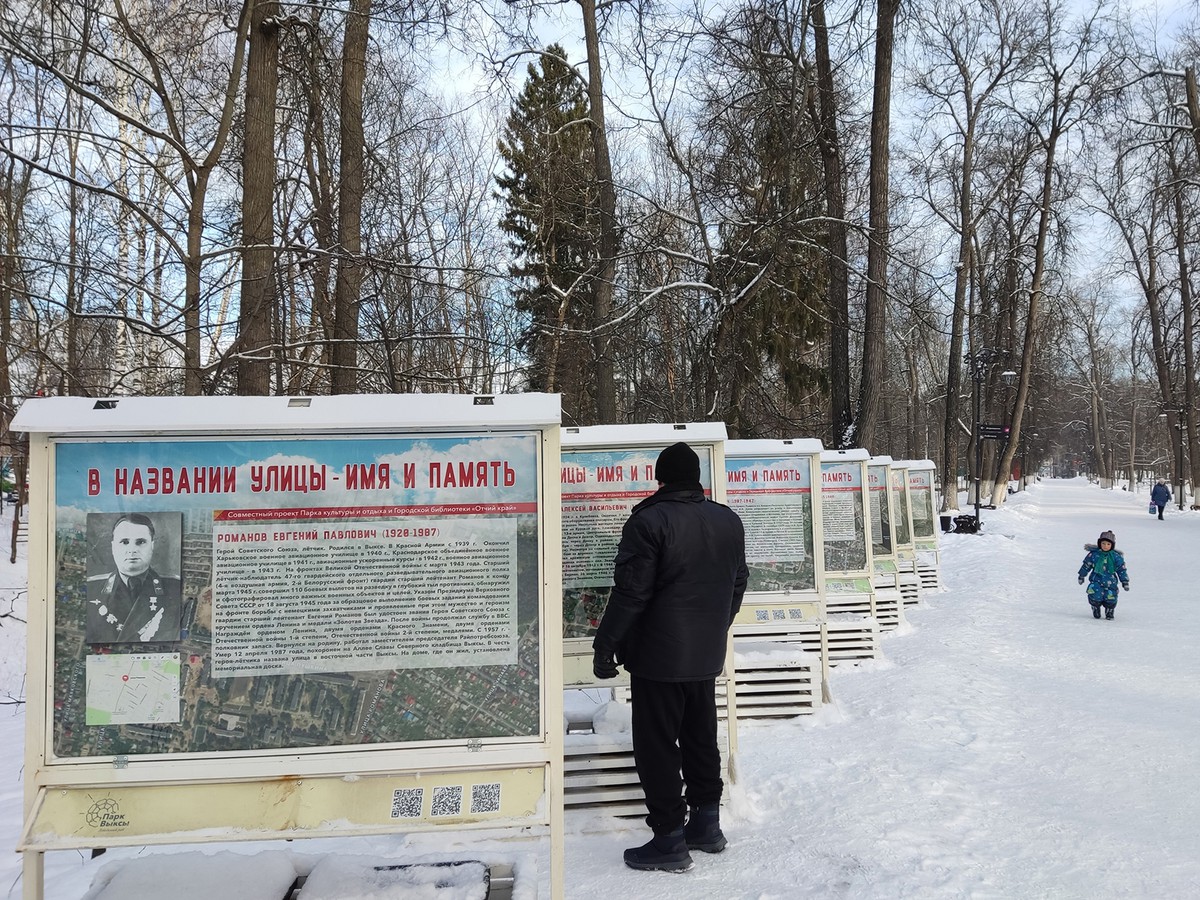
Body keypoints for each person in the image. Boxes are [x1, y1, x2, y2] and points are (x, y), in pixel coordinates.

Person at [592, 442, 748, 873]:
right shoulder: (727, 519)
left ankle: (668, 840)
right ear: (697, 479)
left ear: (660, 478)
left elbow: (631, 592)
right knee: (700, 738)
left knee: (657, 746)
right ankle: (707, 826)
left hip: (658, 658)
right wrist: (715, 626)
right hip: (704, 654)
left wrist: (605, 643)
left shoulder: (649, 521)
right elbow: (738, 583)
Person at [86, 513, 182, 643]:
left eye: (141, 542)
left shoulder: (175, 589)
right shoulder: (91, 589)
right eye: (124, 542)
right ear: (113, 547)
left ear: (152, 546)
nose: (132, 550)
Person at [1077, 530, 1129, 620]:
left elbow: (1121, 569)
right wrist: (1082, 575)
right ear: (1099, 543)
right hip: (1096, 580)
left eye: (1108, 544)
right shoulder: (1094, 555)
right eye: (1103, 543)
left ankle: (1110, 610)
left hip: (1111, 582)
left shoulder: (1116, 557)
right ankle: (1095, 607)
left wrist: (1124, 581)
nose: (1105, 546)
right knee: (1095, 594)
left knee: (1111, 597)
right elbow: (1086, 565)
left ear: (1112, 545)